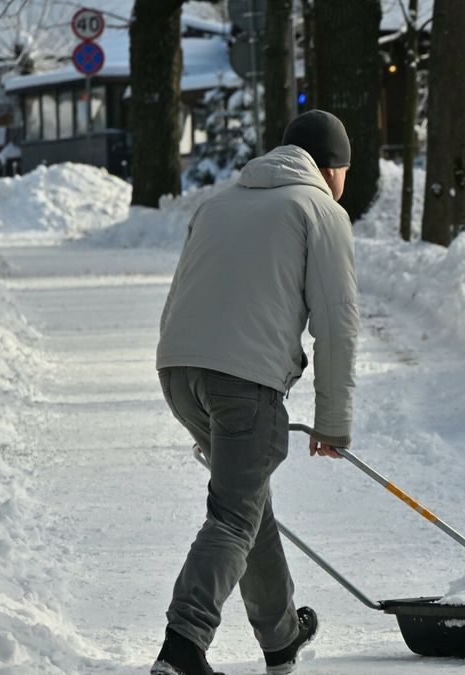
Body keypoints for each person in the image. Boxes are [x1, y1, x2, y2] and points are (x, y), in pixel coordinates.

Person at [151, 110, 359, 675]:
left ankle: (281, 635)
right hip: (243, 384)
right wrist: (332, 423)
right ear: (331, 168)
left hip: (178, 370)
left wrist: (190, 383)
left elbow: (179, 294)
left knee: (248, 503)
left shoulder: (217, 203)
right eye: (346, 170)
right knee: (233, 516)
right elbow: (337, 325)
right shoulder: (321, 210)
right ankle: (183, 644)